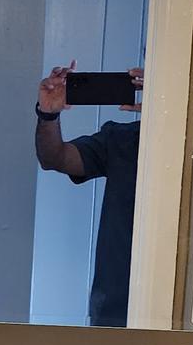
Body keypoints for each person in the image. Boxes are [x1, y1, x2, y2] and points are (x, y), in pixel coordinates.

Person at [32, 61, 146, 328]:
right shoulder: (120, 140)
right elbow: (54, 158)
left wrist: (167, 113)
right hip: (114, 310)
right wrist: (47, 115)